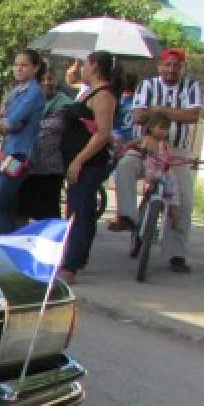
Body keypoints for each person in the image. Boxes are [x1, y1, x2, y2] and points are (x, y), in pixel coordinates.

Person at [110, 49, 203, 273]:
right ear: (160, 67)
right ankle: (128, 216)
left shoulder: (191, 87)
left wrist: (159, 110)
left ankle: (176, 254)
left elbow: (192, 115)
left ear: (182, 68)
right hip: (146, 146)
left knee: (184, 200)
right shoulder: (147, 86)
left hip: (176, 151)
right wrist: (172, 114)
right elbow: (138, 115)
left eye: (176, 65)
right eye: (167, 65)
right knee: (125, 165)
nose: (171, 70)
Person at [60, 50, 120, 283]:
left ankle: (71, 265)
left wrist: (78, 160)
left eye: (84, 64)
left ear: (94, 66)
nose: (81, 68)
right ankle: (77, 257)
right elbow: (73, 83)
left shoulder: (104, 95)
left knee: (80, 211)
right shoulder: (90, 91)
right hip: (79, 159)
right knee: (78, 207)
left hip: (89, 162)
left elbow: (103, 134)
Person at [0, 49, 46, 233]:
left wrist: (2, 121)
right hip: (8, 153)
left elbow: (9, 122)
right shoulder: (15, 91)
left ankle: (8, 248)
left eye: (24, 65)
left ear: (35, 68)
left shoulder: (33, 92)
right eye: (16, 64)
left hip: (20, 155)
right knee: (7, 207)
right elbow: (3, 116)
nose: (18, 69)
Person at [18, 69, 72, 222]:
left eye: (51, 79)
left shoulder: (65, 104)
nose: (47, 83)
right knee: (22, 209)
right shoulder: (26, 100)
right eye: (43, 79)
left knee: (48, 214)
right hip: (27, 164)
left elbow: (57, 125)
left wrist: (30, 123)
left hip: (51, 167)